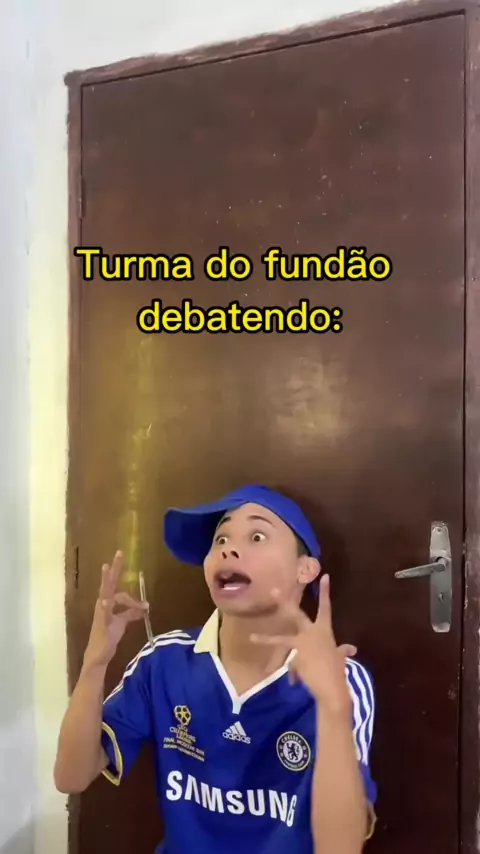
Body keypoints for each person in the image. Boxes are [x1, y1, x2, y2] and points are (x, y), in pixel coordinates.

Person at [54, 484, 377, 854]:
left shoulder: (342, 680)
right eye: (220, 538)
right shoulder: (164, 660)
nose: (228, 549)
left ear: (305, 569)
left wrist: (333, 707)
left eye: (257, 536)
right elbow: (70, 776)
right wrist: (95, 661)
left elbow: (341, 848)